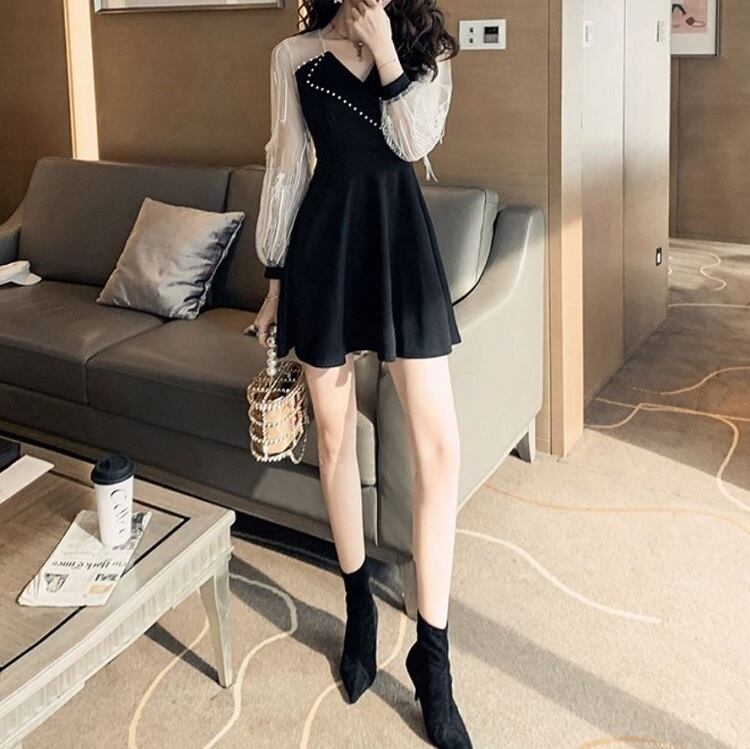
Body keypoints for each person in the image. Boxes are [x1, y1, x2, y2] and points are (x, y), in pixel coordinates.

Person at [250, 0, 471, 745]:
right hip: (327, 245)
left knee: (441, 449)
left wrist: (385, 51)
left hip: (400, 241)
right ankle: (359, 607)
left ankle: (432, 658)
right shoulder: (294, 56)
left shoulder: (422, 46)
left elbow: (415, 141)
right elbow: (286, 167)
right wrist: (274, 280)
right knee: (335, 439)